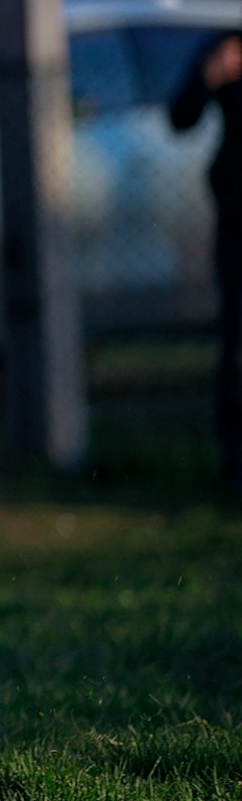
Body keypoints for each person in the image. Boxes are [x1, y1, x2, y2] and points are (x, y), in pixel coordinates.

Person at [170, 29, 242, 497]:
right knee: (237, 342)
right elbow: (180, 117)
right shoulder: (225, 46)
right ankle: (236, 464)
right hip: (238, 221)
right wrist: (209, 76)